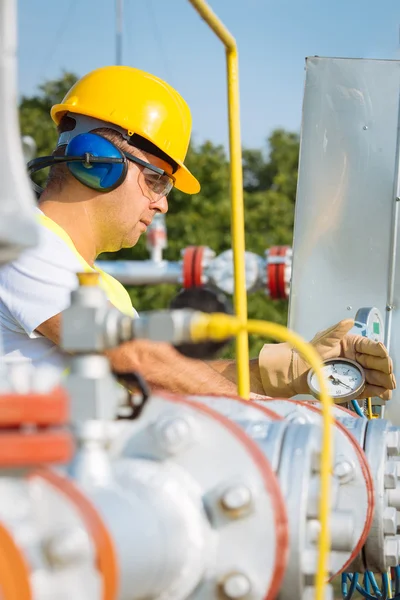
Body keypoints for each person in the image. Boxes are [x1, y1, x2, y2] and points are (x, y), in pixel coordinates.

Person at [0, 66, 395, 400]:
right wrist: (273, 415)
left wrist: (289, 371)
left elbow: (171, 379)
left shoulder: (93, 282)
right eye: (156, 181)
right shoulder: (21, 245)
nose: (162, 204)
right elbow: (137, 360)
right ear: (98, 163)